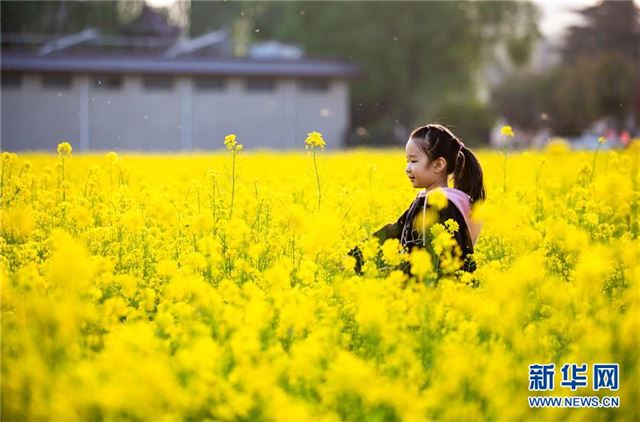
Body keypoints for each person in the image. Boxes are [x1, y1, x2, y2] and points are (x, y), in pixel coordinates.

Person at [348, 123, 485, 278]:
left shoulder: (443, 205)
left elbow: (439, 260)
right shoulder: (427, 200)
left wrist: (395, 275)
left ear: (438, 164)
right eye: (407, 160)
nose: (407, 167)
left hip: (436, 294)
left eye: (413, 161)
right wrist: (354, 259)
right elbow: (396, 232)